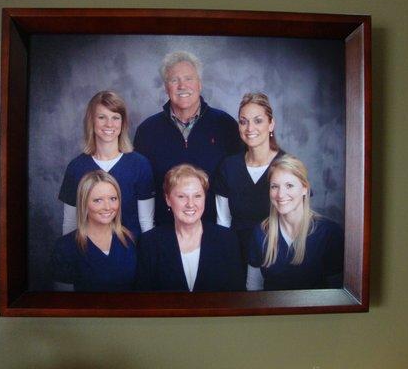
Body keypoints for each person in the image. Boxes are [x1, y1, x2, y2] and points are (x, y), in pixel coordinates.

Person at [134, 51, 242, 226]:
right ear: (165, 87)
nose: (182, 86)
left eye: (188, 78)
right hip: (163, 233)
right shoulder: (147, 131)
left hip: (215, 232)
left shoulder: (226, 126)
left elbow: (237, 184)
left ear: (200, 84)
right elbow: (143, 190)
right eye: (174, 80)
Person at [59, 90, 155, 238]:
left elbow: (146, 222)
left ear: (123, 123)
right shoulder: (76, 167)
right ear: (91, 121)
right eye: (102, 117)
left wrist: (148, 256)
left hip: (132, 253)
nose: (109, 124)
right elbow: (70, 223)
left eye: (115, 117)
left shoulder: (140, 165)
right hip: (89, 254)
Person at [136, 164, 245, 292]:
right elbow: (144, 300)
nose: (190, 204)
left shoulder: (227, 240)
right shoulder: (149, 243)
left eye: (197, 196)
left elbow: (237, 296)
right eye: (182, 196)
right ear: (168, 200)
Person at [246, 155, 344, 291]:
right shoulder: (261, 233)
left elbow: (339, 293)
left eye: (289, 185)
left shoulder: (330, 233)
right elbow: (253, 288)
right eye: (274, 186)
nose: (280, 194)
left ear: (305, 189)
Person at [214, 92, 285, 266]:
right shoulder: (228, 166)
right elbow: (223, 222)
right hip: (236, 256)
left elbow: (298, 223)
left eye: (258, 120)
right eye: (243, 121)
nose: (249, 128)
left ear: (271, 124)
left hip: (277, 257)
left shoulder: (286, 165)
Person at [51, 170, 137, 292]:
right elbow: (64, 303)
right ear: (84, 203)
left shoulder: (130, 240)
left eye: (113, 198)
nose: (108, 207)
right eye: (98, 200)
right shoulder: (65, 247)